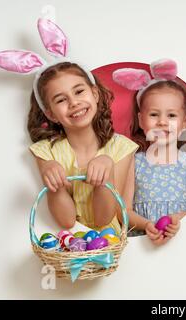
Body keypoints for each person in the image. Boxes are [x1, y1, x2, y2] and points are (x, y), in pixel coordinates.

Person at [28, 62, 138, 235]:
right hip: (70, 248)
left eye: (79, 91)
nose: (74, 103)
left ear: (94, 94)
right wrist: (53, 182)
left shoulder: (121, 148)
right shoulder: (46, 152)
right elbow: (66, 220)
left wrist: (107, 170)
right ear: (50, 114)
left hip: (109, 244)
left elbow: (104, 218)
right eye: (61, 100)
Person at [113, 59, 186, 245]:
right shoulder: (134, 161)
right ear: (141, 120)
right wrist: (147, 224)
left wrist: (175, 221)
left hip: (181, 242)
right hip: (141, 245)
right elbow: (124, 212)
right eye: (154, 114)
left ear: (184, 122)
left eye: (171, 115)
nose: (162, 122)